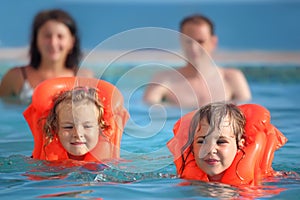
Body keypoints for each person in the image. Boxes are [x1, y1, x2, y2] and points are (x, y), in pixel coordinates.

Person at [144, 14, 251, 108]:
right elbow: (148, 113)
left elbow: (249, 117)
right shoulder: (163, 80)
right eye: (188, 41)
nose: (194, 48)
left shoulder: (232, 78)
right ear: (181, 41)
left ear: (213, 42)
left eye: (200, 41)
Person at [167, 102, 287, 185]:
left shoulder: (269, 181)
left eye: (221, 141)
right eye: (202, 141)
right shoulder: (178, 178)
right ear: (192, 147)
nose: (210, 149)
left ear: (240, 144)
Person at [23, 77, 129, 162]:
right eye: (68, 127)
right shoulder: (40, 165)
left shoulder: (112, 166)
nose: (77, 134)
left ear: (100, 128)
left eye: (87, 126)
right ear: (55, 128)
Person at [0, 9, 93, 104]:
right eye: (47, 36)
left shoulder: (84, 78)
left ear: (71, 42)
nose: (53, 43)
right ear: (36, 40)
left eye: (60, 36)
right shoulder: (15, 77)